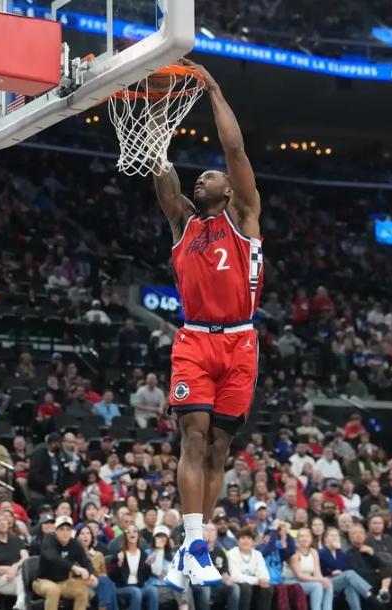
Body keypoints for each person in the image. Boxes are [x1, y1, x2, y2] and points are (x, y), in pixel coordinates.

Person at [154, 59, 264, 590]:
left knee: (221, 447)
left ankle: (192, 550)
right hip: (195, 339)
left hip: (240, 341)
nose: (204, 175)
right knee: (193, 439)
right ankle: (195, 544)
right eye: (200, 175)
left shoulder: (242, 216)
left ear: (228, 190)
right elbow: (164, 179)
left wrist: (215, 88)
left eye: (211, 175)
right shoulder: (183, 223)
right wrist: (155, 131)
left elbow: (235, 151)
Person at [35, 516, 96, 610]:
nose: (65, 533)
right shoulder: (49, 541)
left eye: (68, 530)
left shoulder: (74, 544)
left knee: (82, 591)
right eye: (62, 529)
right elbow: (53, 557)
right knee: (53, 590)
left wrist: (91, 573)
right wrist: (73, 567)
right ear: (55, 530)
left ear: (71, 531)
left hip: (63, 582)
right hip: (42, 580)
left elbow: (85, 560)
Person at [319, 527, 375, 610]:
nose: (334, 537)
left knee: (350, 585)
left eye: (336, 535)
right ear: (326, 539)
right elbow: (321, 570)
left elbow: (346, 568)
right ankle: (369, 596)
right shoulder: (321, 552)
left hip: (341, 580)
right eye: (331, 535)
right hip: (327, 581)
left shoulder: (341, 553)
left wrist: (341, 572)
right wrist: (331, 572)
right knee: (349, 574)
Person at [0, 511, 29, 610]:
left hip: (19, 574)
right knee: (24, 581)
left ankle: (20, 604)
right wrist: (12, 570)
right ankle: (21, 604)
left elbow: (26, 558)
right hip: (2, 580)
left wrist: (15, 567)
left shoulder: (17, 540)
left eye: (4, 520)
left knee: (23, 579)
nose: (2, 523)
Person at [282, 526, 333, 610]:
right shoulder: (294, 553)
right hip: (291, 581)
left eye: (307, 536)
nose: (304, 538)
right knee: (317, 586)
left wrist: (323, 580)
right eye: (301, 536)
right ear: (297, 539)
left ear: (311, 539)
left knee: (328, 584)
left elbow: (317, 573)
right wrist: (320, 580)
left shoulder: (314, 552)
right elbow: (299, 575)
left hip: (307, 580)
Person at [110, 524, 159, 610]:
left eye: (134, 531)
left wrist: (147, 565)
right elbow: (113, 577)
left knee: (153, 590)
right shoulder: (120, 553)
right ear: (125, 536)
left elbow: (145, 578)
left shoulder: (143, 554)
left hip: (139, 586)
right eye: (128, 532)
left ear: (138, 535)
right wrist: (119, 564)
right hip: (122, 587)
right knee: (136, 592)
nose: (131, 533)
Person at [226, 528, 272, 610]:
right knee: (246, 587)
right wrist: (257, 580)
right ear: (237, 541)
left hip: (254, 583)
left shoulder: (257, 554)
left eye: (249, 538)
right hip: (238, 584)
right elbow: (235, 576)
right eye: (243, 538)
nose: (246, 541)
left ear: (253, 542)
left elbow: (263, 572)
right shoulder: (232, 553)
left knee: (267, 587)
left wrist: (263, 580)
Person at [77, 525, 119, 610]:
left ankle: (102, 606)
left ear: (91, 537)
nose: (85, 536)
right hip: (82, 583)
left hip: (98, 583)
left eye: (88, 533)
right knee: (107, 584)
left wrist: (99, 576)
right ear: (77, 537)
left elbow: (103, 573)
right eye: (82, 533)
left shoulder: (98, 555)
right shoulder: (74, 554)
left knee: (106, 582)